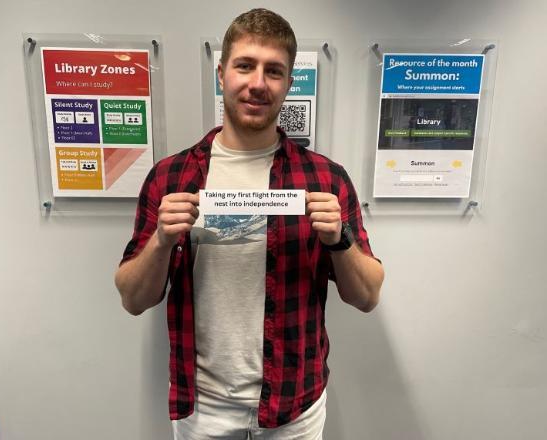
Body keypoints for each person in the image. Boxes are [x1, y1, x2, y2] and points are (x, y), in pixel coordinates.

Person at [115, 8, 384, 439]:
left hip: (295, 405)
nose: (258, 83)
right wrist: (162, 241)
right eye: (245, 66)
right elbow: (132, 297)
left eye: (274, 71)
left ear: (289, 83)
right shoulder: (171, 177)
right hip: (201, 405)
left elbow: (368, 294)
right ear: (221, 73)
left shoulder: (325, 180)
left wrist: (339, 240)